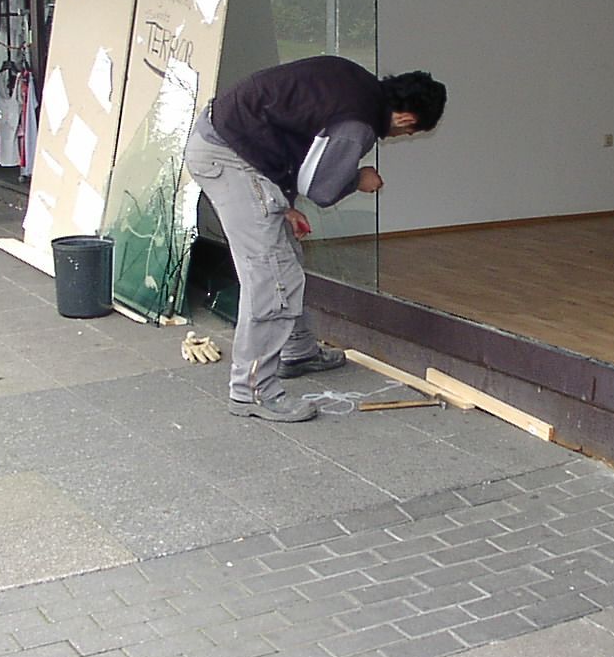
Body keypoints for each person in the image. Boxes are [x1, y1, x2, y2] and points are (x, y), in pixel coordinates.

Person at [184, 55, 447, 422]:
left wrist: (284, 204)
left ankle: (298, 350)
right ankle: (253, 391)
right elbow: (321, 188)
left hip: (232, 144)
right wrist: (358, 178)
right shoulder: (358, 124)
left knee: (284, 253)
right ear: (407, 119)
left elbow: (286, 130)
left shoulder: (354, 80)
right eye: (408, 133)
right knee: (273, 278)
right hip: (228, 156)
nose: (401, 136)